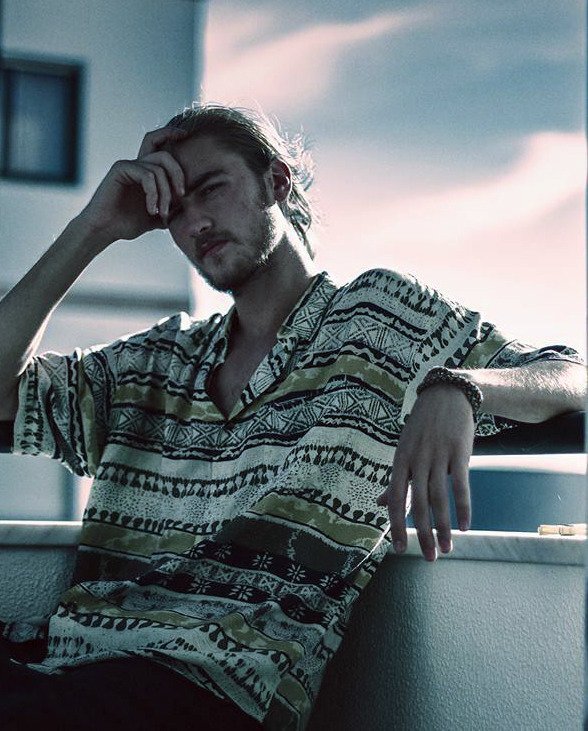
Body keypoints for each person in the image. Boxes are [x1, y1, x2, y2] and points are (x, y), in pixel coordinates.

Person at [0, 104, 584, 730]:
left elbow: (571, 373)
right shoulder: (158, 362)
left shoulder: (377, 318)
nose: (195, 223)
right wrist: (94, 226)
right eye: (174, 212)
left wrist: (460, 385)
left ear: (275, 182)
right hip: (65, 663)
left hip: (208, 690)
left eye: (212, 189)